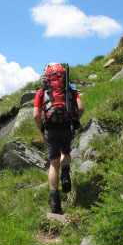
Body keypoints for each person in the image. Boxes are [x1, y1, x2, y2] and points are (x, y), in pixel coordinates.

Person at [33, 62, 84, 214]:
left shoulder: (42, 91)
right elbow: (81, 107)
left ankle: (55, 202)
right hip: (66, 126)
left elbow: (36, 115)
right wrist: (75, 119)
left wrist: (42, 131)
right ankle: (66, 173)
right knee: (66, 153)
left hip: (50, 128)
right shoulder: (69, 88)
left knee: (54, 164)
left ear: (46, 76)